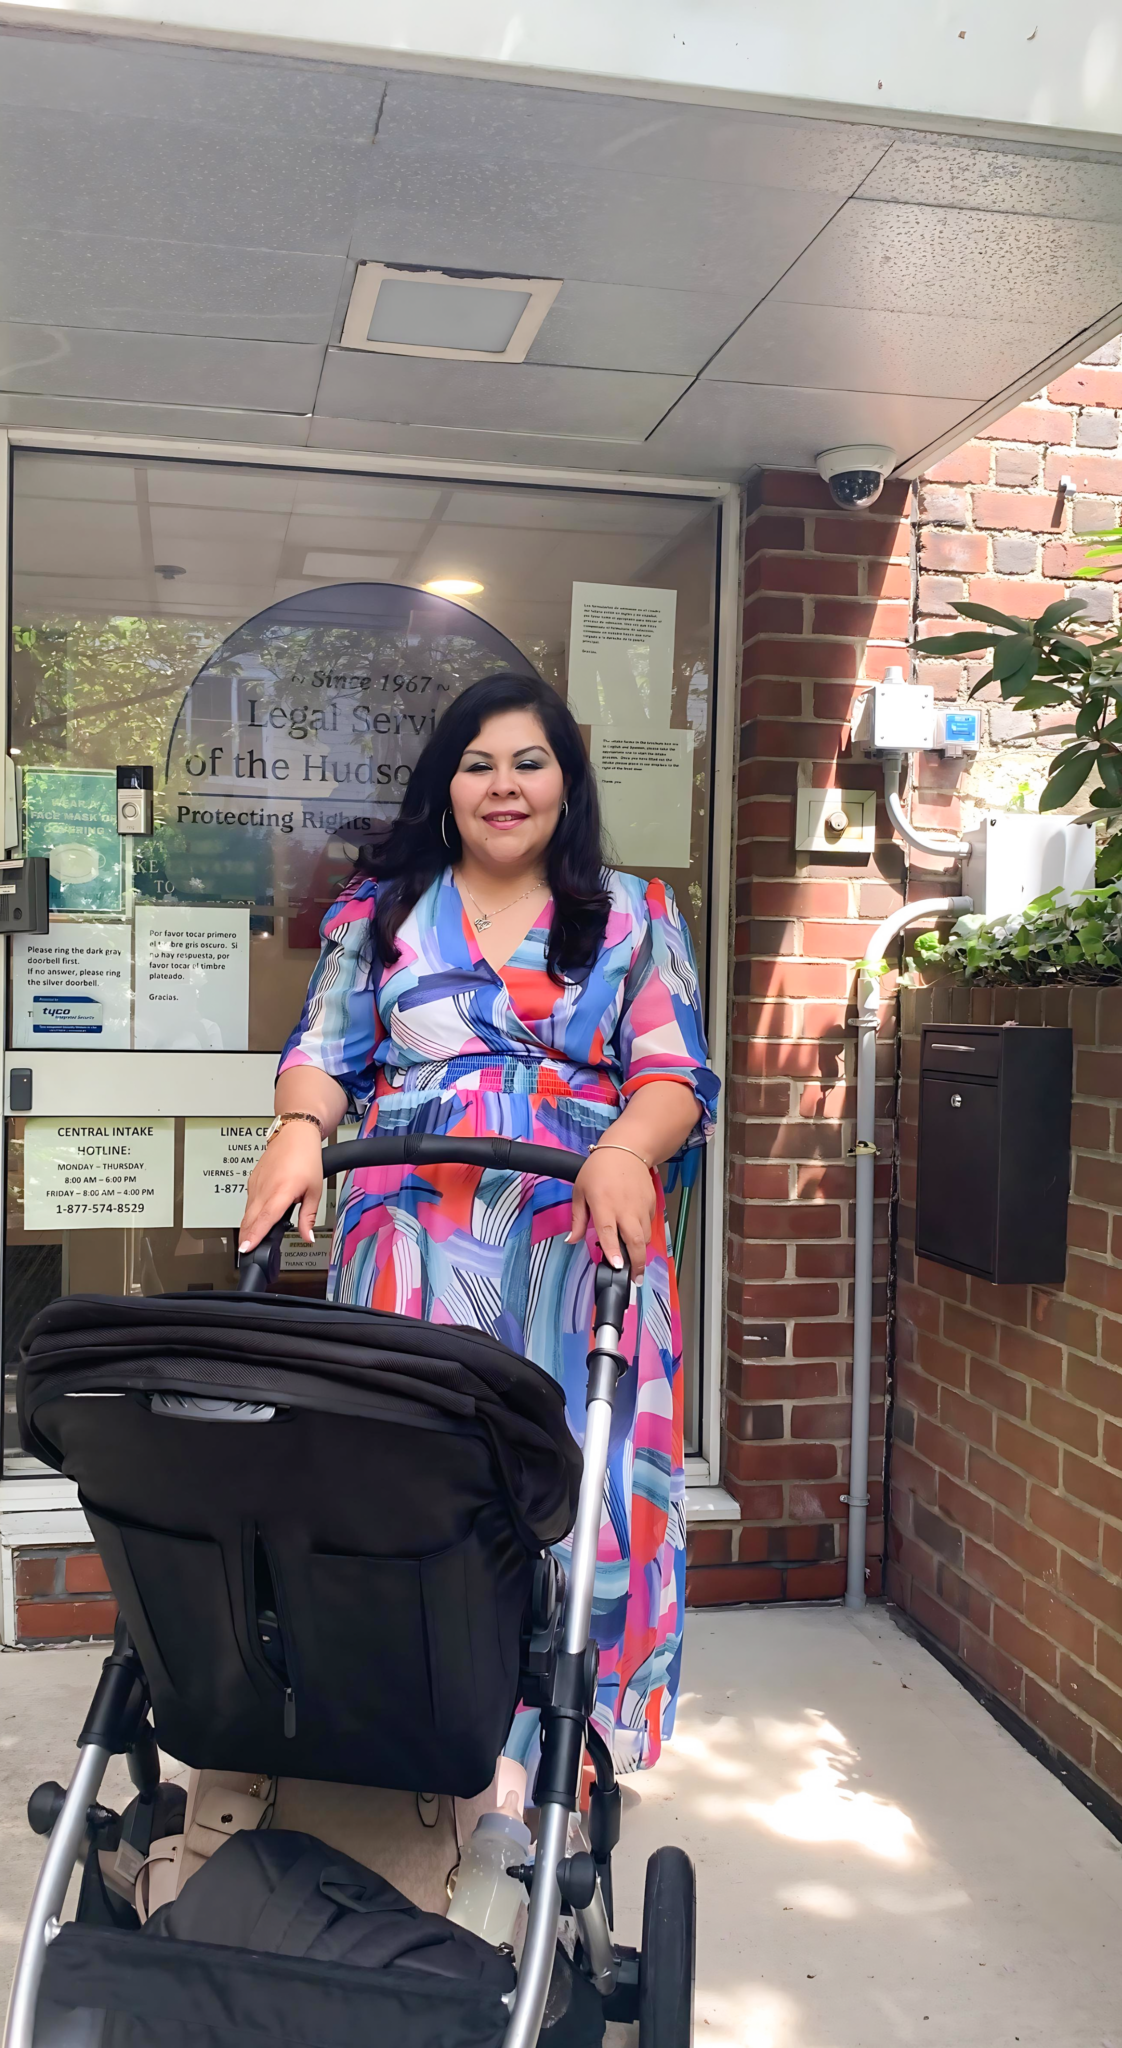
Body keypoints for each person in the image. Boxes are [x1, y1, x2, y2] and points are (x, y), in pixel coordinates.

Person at [239, 672, 718, 1775]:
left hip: (576, 1236)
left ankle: (570, 1739)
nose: (504, 785)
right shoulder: (380, 908)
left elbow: (673, 1073)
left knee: (580, 1479)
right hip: (408, 1235)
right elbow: (322, 1048)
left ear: (566, 781)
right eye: (478, 763)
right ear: (446, 785)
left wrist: (624, 1148)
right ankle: (416, 1716)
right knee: (411, 1472)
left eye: (529, 762)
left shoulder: (635, 912)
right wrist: (299, 1128)